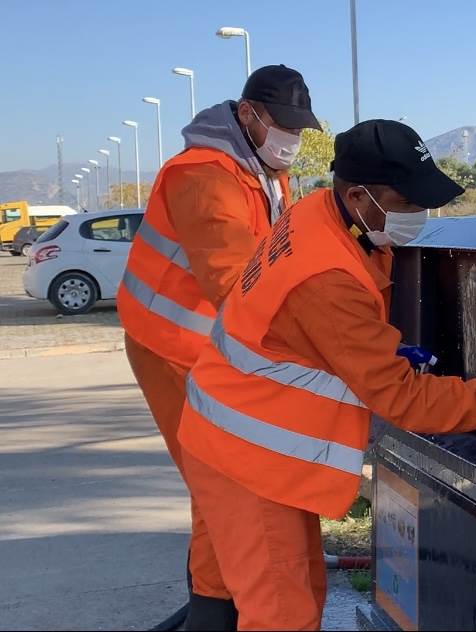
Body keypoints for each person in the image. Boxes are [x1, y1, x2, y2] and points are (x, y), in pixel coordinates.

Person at [176, 119, 476, 630]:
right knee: (283, 612)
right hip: (251, 459)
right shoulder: (326, 275)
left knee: (223, 591)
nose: (419, 215)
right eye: (407, 203)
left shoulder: (318, 213)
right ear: (361, 196)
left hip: (221, 432)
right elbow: (402, 401)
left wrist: (374, 350)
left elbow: (314, 336)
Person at [115, 65, 322, 629]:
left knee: (221, 483)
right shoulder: (204, 175)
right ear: (249, 114)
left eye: (300, 129)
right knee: (224, 482)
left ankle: (212, 604)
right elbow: (235, 280)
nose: (292, 139)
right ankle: (215, 604)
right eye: (283, 125)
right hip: (171, 346)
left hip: (217, 348)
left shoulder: (266, 171)